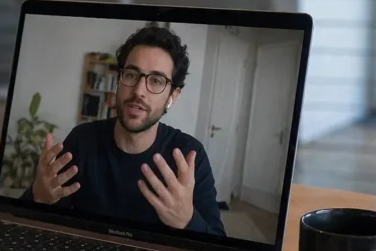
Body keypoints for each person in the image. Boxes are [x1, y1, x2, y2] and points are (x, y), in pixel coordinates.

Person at [25, 25, 226, 236]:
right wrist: (38, 197)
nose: (139, 91)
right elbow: (39, 226)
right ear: (118, 81)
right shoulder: (82, 140)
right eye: (131, 74)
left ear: (172, 96)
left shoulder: (190, 157)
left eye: (156, 80)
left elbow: (218, 244)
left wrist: (188, 221)